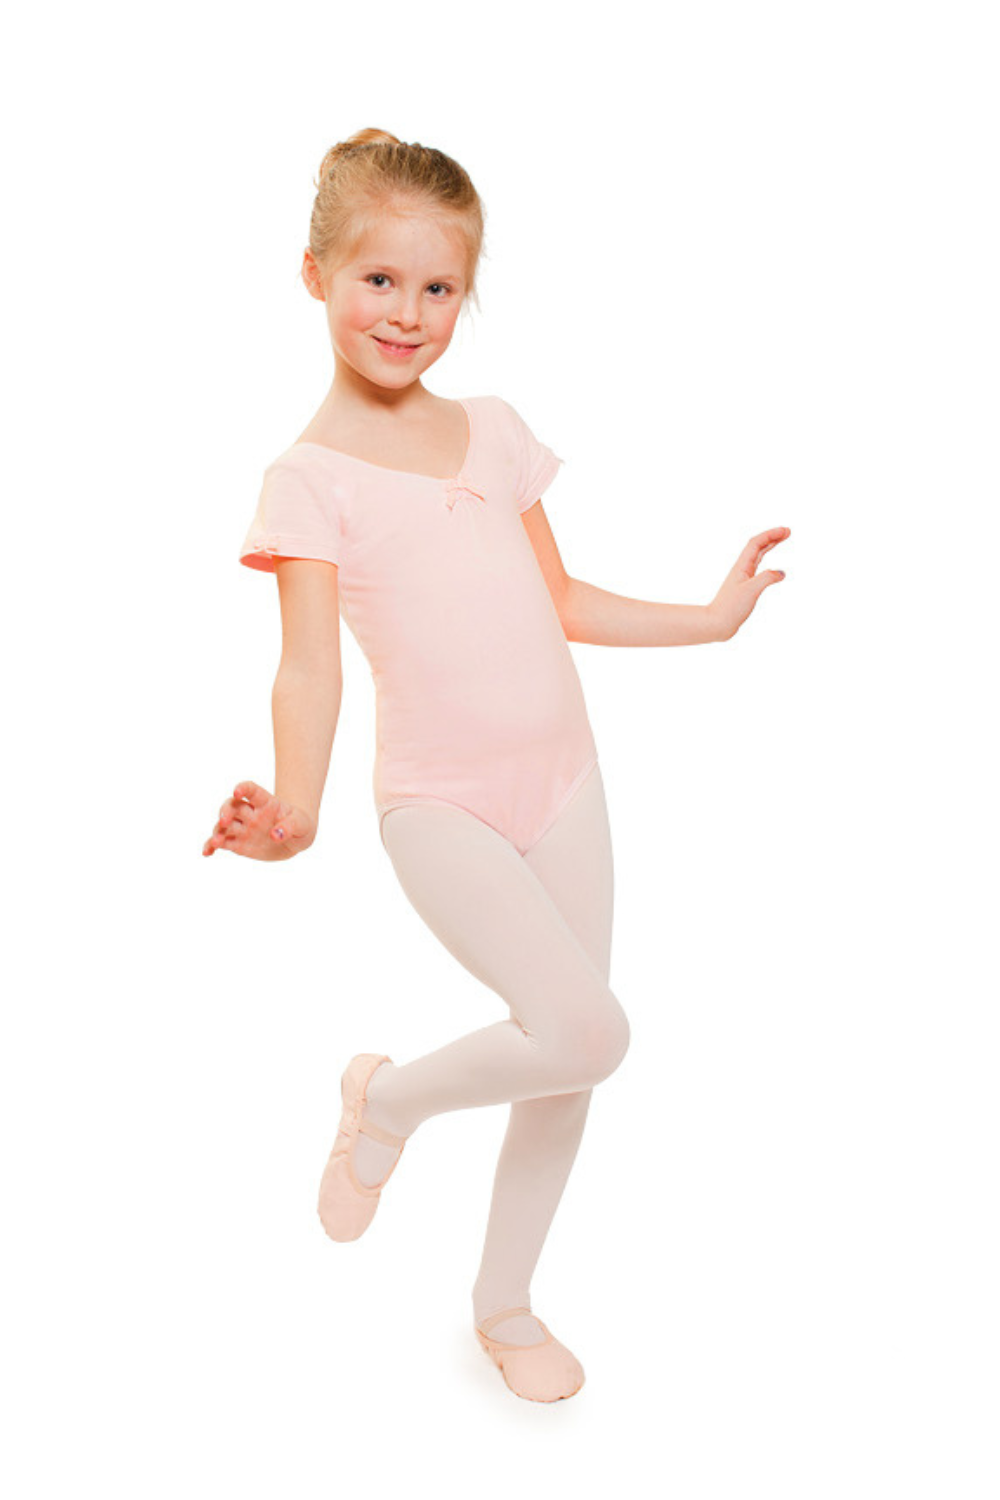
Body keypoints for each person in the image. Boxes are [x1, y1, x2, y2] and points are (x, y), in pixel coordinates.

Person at [201, 128, 790, 1403]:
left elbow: (560, 599)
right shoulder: (307, 480)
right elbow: (311, 668)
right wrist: (296, 810)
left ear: (465, 293)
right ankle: (390, 1103)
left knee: (566, 1056)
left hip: (566, 780)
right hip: (441, 804)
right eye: (378, 280)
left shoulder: (495, 428)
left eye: (438, 288)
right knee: (586, 1028)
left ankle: (505, 1305)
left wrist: (708, 619)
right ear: (314, 274)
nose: (406, 314)